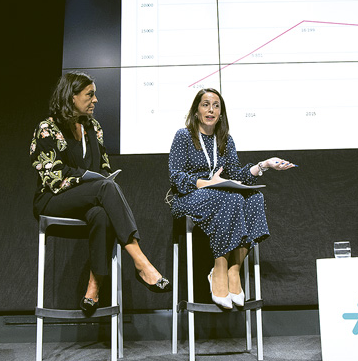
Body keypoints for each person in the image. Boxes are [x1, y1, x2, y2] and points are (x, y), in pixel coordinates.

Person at [30, 71, 171, 315]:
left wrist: (100, 178)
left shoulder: (93, 127)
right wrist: (90, 179)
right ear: (72, 97)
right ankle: (141, 262)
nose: (95, 100)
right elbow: (53, 176)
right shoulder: (47, 128)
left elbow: (104, 166)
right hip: (53, 199)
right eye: (90, 95)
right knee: (105, 187)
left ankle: (93, 287)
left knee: (102, 214)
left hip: (88, 199)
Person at [168, 88, 295, 309]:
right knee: (230, 198)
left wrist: (264, 165)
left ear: (221, 113)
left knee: (254, 198)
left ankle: (234, 269)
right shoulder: (184, 136)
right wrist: (208, 183)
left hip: (219, 196)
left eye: (216, 106)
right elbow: (176, 176)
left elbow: (236, 174)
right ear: (196, 110)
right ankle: (219, 269)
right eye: (205, 104)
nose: (211, 110)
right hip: (189, 197)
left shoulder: (225, 140)